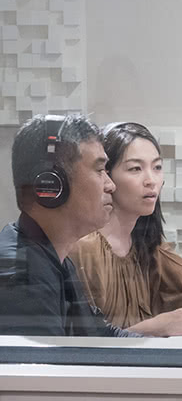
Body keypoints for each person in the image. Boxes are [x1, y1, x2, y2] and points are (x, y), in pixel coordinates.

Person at [70, 122, 182, 337]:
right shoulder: (83, 248)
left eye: (157, 167)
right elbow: (82, 341)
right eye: (135, 169)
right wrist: (154, 328)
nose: (151, 180)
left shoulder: (145, 244)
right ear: (107, 177)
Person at [0, 114, 138, 336]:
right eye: (99, 170)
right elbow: (49, 359)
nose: (110, 185)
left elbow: (99, 337)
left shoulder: (53, 257)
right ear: (51, 184)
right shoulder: (23, 277)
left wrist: (174, 347)